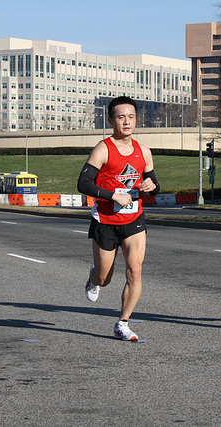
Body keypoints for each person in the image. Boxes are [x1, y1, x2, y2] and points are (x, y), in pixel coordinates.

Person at [76, 96, 160, 341]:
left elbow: (155, 186)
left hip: (134, 220)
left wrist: (151, 185)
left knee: (135, 270)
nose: (126, 121)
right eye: (121, 117)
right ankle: (93, 278)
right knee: (105, 277)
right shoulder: (104, 148)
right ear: (111, 119)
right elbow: (83, 183)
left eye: (131, 116)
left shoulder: (144, 151)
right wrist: (113, 195)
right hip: (105, 220)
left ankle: (123, 322)